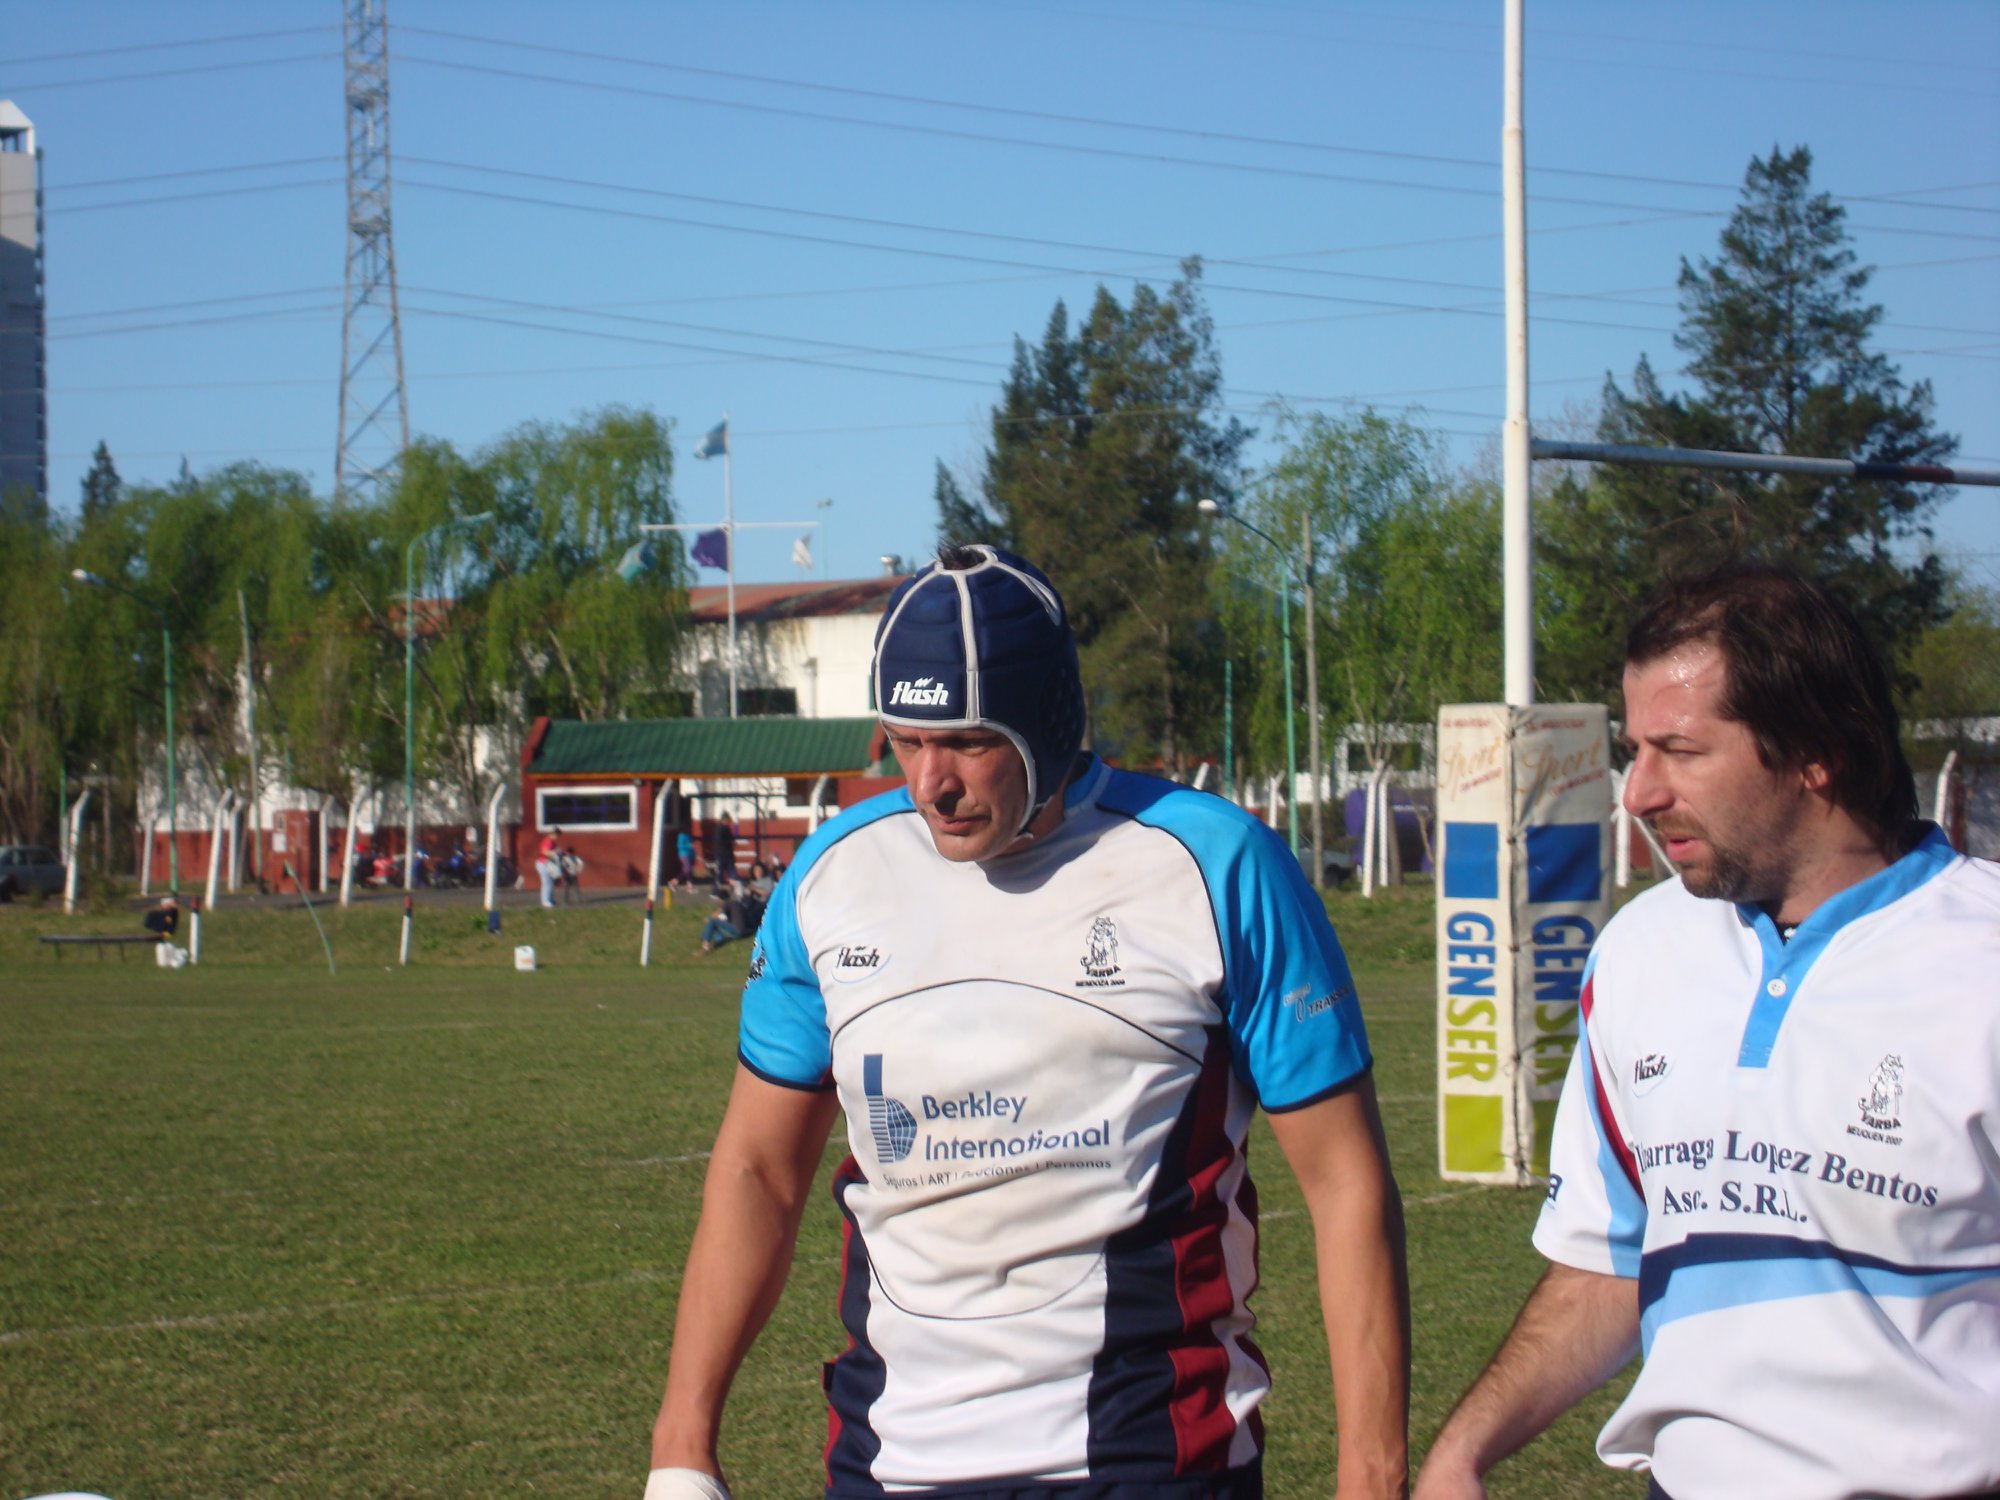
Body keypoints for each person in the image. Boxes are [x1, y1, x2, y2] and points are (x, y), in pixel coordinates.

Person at [648, 545, 1408, 1500]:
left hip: (1151, 1457)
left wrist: (1373, 1478)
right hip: (892, 1461)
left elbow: (1345, 1181)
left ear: (1050, 719)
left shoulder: (1217, 866)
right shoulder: (832, 878)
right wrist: (682, 1447)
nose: (933, 781)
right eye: (909, 741)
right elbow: (759, 1167)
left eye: (968, 740)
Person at [1413, 562, 2000, 1500]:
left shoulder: (1982, 960)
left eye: (1679, 751)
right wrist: (1463, 1448)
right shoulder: (1641, 951)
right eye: (1634, 751)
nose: (1637, 793)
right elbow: (1613, 1262)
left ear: (1816, 751)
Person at [537, 827, 561, 909]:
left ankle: (550, 899)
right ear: (552, 834)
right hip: (543, 863)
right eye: (557, 835)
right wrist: (555, 852)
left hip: (548, 864)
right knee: (547, 882)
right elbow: (545, 851)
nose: (557, 837)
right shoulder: (548, 841)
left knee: (550, 882)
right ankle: (545, 901)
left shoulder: (552, 842)